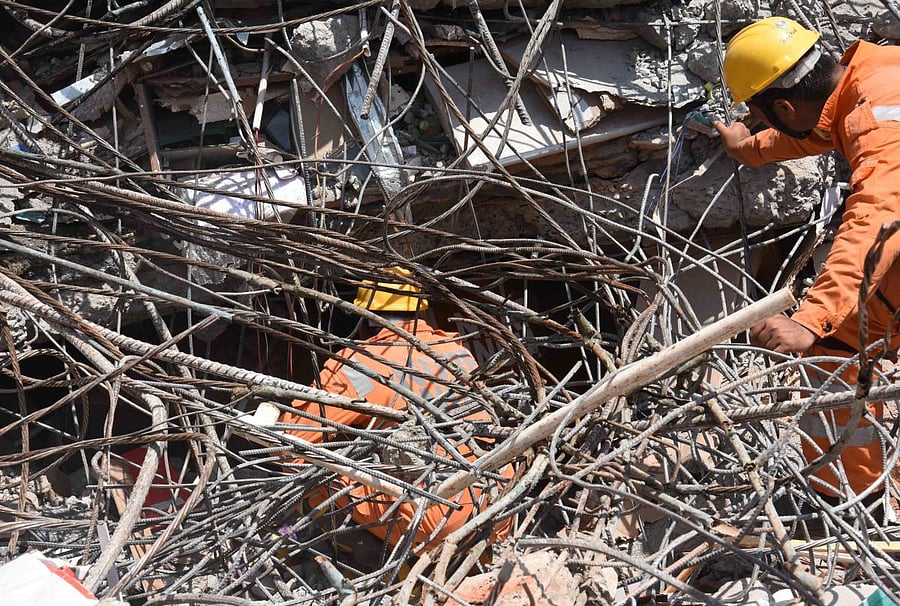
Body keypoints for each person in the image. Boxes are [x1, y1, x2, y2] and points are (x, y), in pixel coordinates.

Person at [714, 17, 899, 510]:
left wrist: (810, 321)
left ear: (784, 106)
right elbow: (824, 131)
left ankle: (854, 499)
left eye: (764, 116)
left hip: (889, 227)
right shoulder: (875, 73)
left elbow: (876, 219)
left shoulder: (878, 120)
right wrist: (748, 149)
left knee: (835, 347)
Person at [278, 268, 512, 551]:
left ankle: (369, 568)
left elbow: (292, 441)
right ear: (419, 311)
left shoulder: (360, 363)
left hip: (435, 521)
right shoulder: (456, 350)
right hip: (500, 503)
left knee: (310, 474)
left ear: (365, 316)